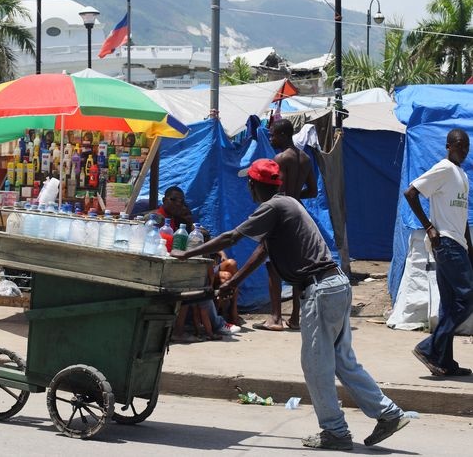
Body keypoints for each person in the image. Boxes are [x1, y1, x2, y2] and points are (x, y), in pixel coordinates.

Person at [171, 159, 409, 450]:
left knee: (315, 365)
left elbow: (231, 236)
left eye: (249, 183)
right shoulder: (286, 205)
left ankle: (335, 431)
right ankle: (389, 414)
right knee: (342, 361)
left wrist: (187, 254)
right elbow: (262, 251)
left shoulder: (273, 207)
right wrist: (233, 283)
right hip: (334, 286)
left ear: (254, 185)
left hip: (320, 290)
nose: (248, 187)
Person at [404, 128, 473, 377]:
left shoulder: (461, 174)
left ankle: (444, 361)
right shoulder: (443, 168)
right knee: (467, 298)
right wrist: (429, 227)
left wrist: (469, 245)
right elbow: (410, 193)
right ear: (448, 146)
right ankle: (428, 348)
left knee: (450, 304)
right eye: (459, 145)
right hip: (446, 243)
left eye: (466, 146)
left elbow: (462, 216)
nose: (463, 150)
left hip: (458, 245)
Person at [253, 118, 317, 332]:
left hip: (280, 216)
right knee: (298, 268)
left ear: (282, 135)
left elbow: (275, 189)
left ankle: (276, 318)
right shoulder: (305, 159)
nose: (270, 139)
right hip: (299, 216)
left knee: (273, 267)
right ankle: (296, 318)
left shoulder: (281, 158)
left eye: (272, 135)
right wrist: (296, 197)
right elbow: (313, 190)